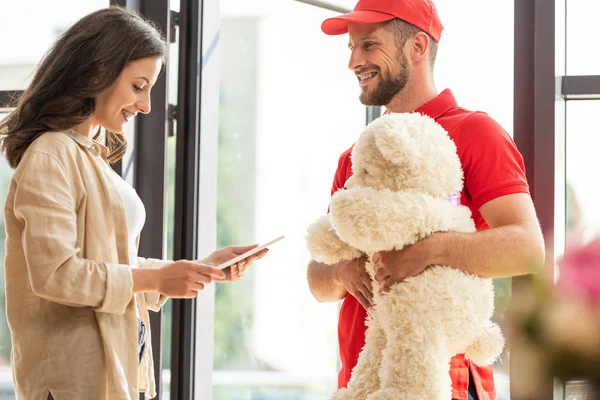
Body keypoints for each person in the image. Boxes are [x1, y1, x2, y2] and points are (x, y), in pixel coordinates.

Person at [0, 7, 266, 400]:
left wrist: (198, 268)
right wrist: (157, 279)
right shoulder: (51, 154)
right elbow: (56, 274)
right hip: (71, 383)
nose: (146, 106)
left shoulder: (91, 155)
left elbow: (109, 264)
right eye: (138, 87)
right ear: (97, 73)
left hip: (115, 372)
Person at [306, 1, 545, 399]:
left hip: (442, 387)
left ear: (417, 47)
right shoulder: (355, 158)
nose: (353, 61)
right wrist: (343, 271)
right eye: (350, 47)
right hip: (360, 387)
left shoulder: (475, 132)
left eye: (367, 45)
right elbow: (318, 279)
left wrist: (428, 250)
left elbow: (527, 248)